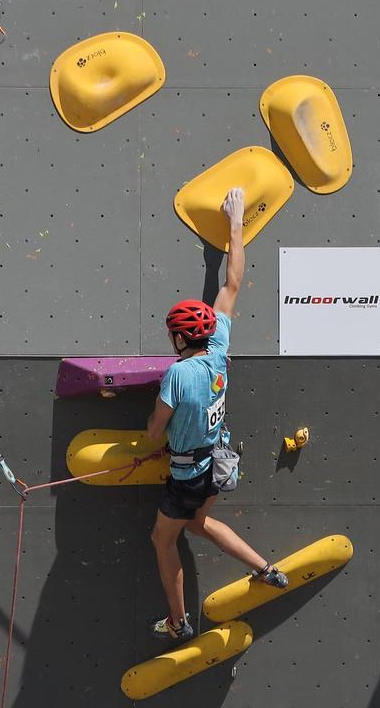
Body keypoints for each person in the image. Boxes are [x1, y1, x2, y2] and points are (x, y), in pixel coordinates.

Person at [145, 186, 287, 642]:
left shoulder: (177, 376)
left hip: (188, 476)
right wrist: (236, 218)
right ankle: (267, 569)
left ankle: (178, 621)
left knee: (163, 540)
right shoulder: (219, 347)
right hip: (218, 461)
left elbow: (153, 434)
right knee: (200, 524)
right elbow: (232, 282)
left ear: (180, 340)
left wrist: (152, 439)